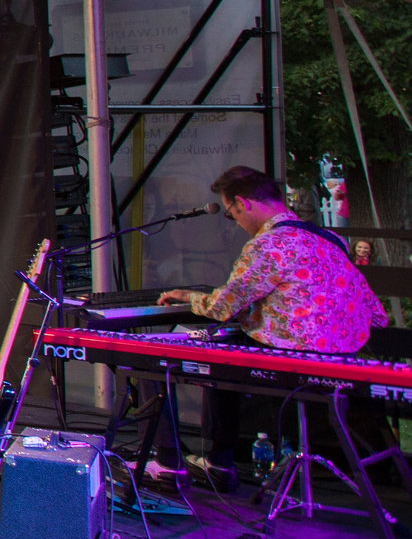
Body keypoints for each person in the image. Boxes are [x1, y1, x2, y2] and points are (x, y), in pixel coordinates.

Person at [154, 165, 389, 479]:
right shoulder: (329, 238)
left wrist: (187, 296)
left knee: (203, 349)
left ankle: (203, 463)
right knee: (233, 345)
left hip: (299, 361)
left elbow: (222, 307)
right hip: (346, 358)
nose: (236, 222)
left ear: (243, 203)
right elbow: (377, 315)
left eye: (231, 213)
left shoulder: (268, 245)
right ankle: (222, 459)